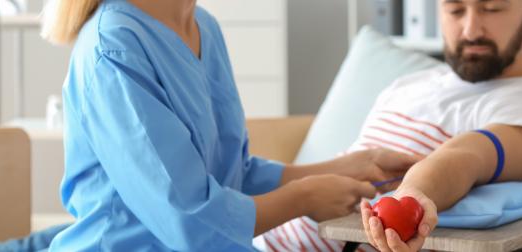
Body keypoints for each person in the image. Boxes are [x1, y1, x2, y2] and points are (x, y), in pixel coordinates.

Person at [39, 0, 418, 251]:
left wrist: (344, 166)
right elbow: (188, 216)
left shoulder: (203, 26)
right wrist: (303, 199)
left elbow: (227, 173)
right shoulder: (114, 47)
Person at [263, 0, 522, 251]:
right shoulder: (409, 84)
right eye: (455, 9)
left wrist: (412, 195)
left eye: (492, 8)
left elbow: (466, 158)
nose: (471, 29)